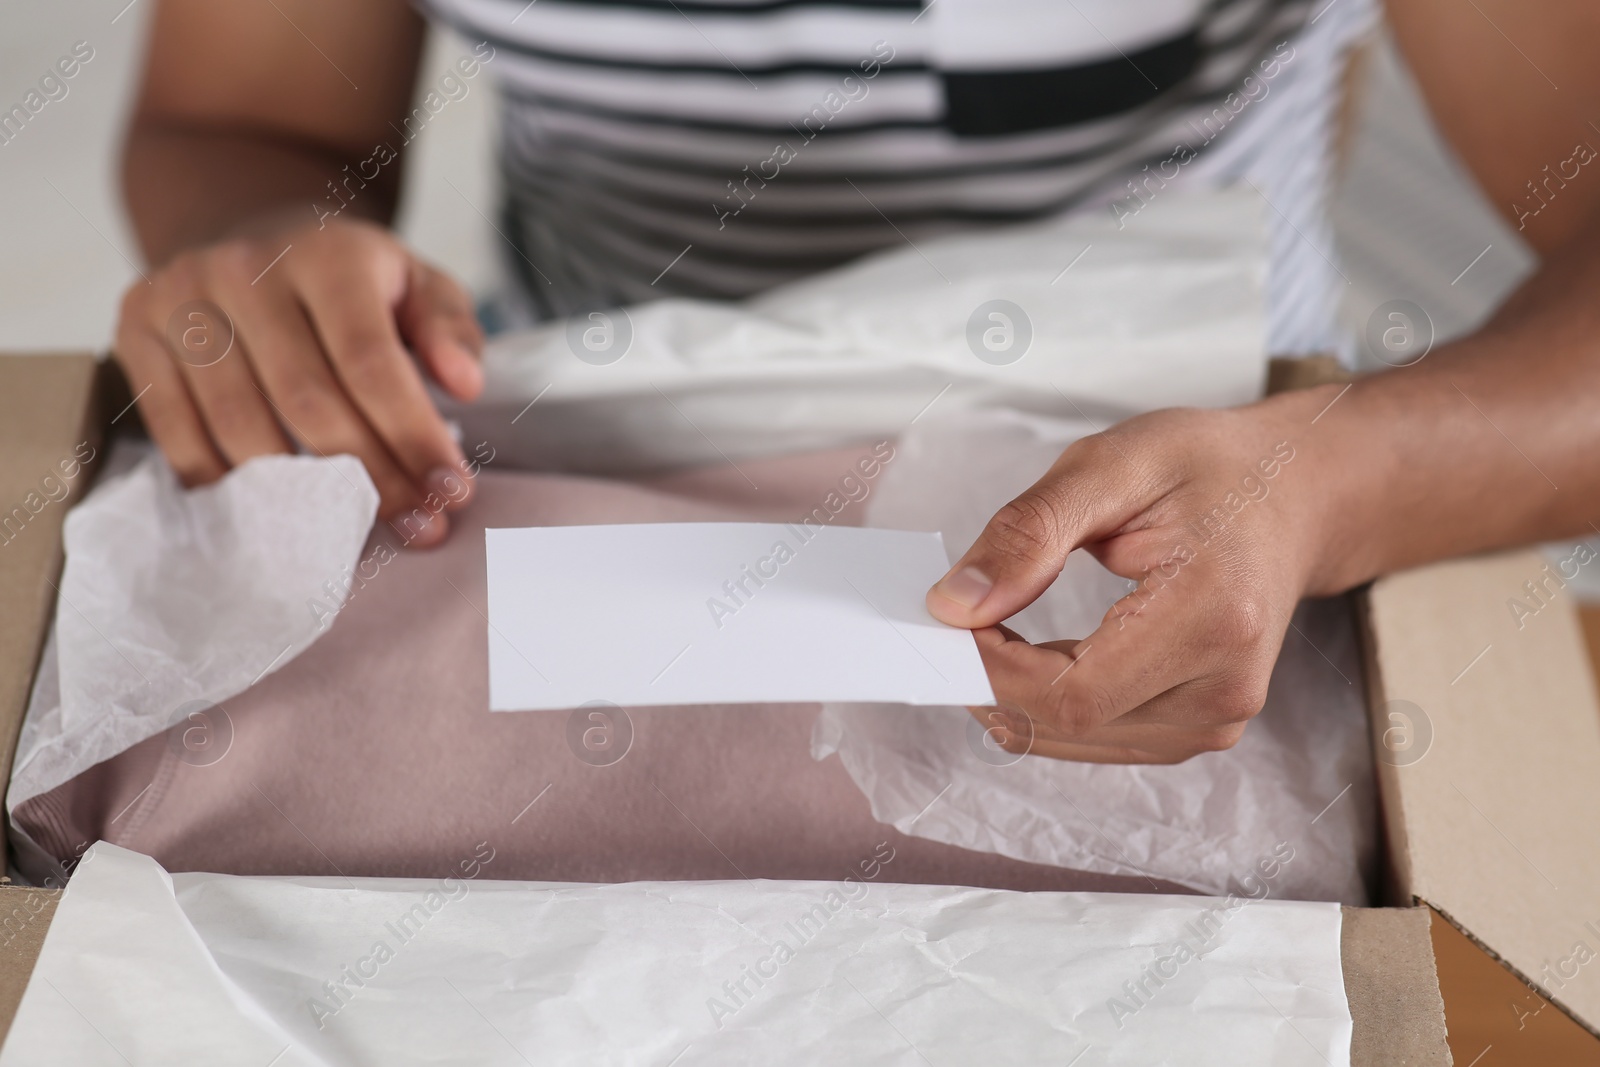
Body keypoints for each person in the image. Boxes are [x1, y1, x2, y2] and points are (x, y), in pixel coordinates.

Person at [113, 0, 1600, 765]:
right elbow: (239, 116)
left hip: (1201, 507)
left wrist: (1331, 479)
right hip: (561, 466)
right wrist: (262, 254)